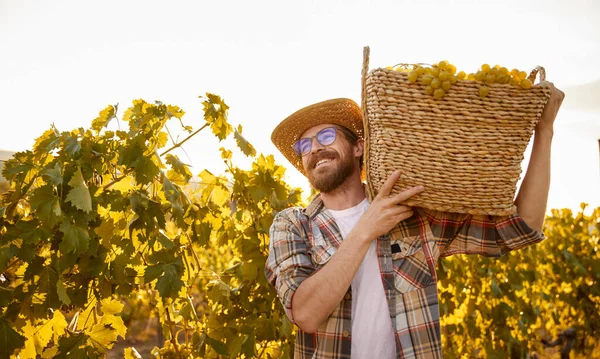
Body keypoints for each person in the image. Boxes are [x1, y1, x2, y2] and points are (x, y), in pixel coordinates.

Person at [265, 85, 564, 359]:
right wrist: (365, 229)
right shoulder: (292, 225)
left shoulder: (412, 215)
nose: (314, 148)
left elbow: (522, 228)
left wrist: (545, 130)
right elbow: (304, 313)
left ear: (359, 147)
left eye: (326, 136)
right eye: (304, 146)